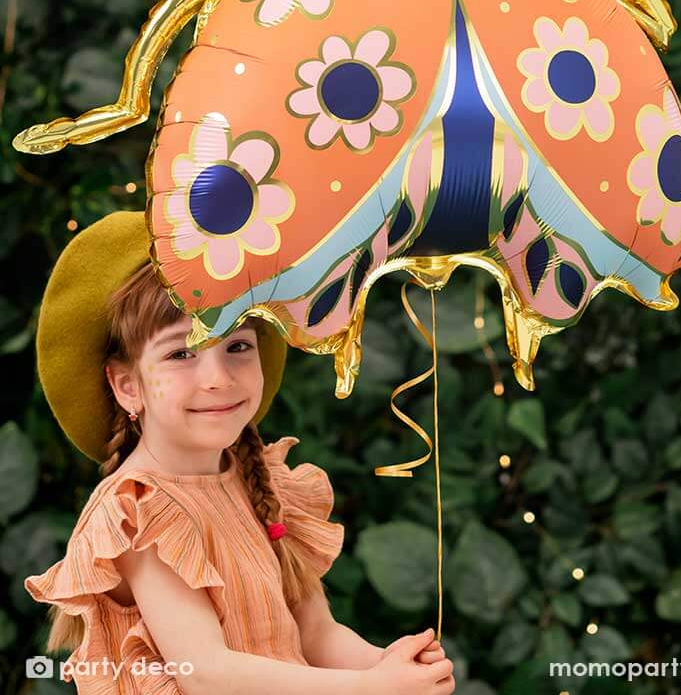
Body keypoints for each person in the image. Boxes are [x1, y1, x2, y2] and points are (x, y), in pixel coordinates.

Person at [24, 210, 455, 695]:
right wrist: (370, 688)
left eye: (237, 347)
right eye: (180, 354)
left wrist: (386, 668)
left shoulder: (262, 483)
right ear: (127, 386)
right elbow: (207, 672)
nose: (218, 378)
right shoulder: (140, 511)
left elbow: (315, 634)